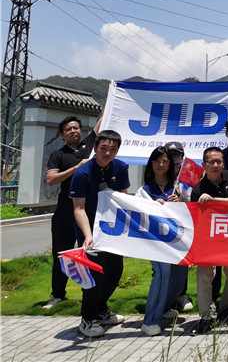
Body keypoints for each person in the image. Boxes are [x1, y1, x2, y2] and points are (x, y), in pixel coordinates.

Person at [69, 129, 130, 338]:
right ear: (95, 148)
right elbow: (78, 209)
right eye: (103, 148)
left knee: (115, 270)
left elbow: (122, 200)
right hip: (89, 230)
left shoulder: (120, 167)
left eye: (112, 149)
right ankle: (88, 319)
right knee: (94, 274)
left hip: (111, 230)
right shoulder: (83, 173)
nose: (107, 153)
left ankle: (101, 310)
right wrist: (88, 236)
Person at [44, 114, 100, 309]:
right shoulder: (58, 155)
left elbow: (102, 120)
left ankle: (93, 294)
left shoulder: (90, 146)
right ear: (62, 135)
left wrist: (113, 96)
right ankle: (58, 294)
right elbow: (51, 179)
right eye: (68, 129)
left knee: (91, 252)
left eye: (76, 128)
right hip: (65, 212)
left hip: (88, 211)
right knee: (62, 254)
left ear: (81, 131)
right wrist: (76, 167)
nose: (73, 131)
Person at [191, 146, 228, 334]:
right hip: (208, 240)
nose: (216, 165)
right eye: (211, 162)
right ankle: (205, 316)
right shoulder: (198, 189)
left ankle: (225, 308)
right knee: (204, 275)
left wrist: (213, 200)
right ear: (204, 164)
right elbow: (196, 219)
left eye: (219, 161)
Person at [137, 146, 189, 336]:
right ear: (151, 164)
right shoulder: (144, 190)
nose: (161, 164)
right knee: (162, 274)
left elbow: (191, 209)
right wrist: (153, 205)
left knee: (179, 277)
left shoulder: (179, 187)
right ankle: (150, 320)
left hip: (177, 240)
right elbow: (137, 212)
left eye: (165, 161)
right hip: (155, 242)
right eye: (157, 161)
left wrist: (180, 202)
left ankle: (164, 306)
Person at [164, 140, 194, 312]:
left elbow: (194, 200)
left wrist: (180, 199)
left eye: (176, 154)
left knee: (182, 261)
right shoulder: (159, 171)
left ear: (182, 157)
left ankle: (181, 294)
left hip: (183, 224)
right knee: (163, 263)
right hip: (163, 225)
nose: (173, 158)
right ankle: (164, 298)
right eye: (170, 154)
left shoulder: (189, 174)